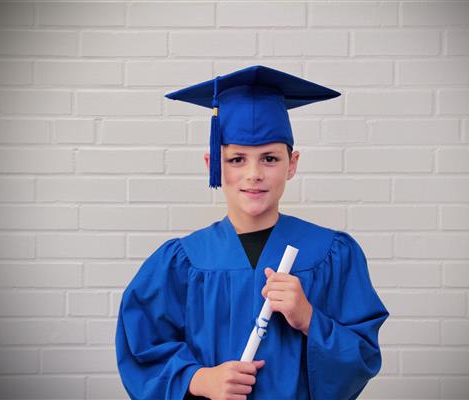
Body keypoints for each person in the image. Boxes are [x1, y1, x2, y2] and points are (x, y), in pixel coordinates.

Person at [115, 65, 389, 400]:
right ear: (212, 164)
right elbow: (140, 348)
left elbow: (362, 356)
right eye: (237, 160)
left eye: (270, 158)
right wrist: (200, 379)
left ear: (293, 164)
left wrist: (309, 319)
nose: (254, 174)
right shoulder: (181, 262)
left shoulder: (331, 254)